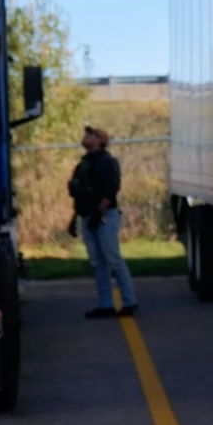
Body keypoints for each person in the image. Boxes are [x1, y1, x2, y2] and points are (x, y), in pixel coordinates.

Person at [68, 125, 138, 319]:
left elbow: (111, 188)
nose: (86, 136)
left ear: (100, 140)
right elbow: (80, 193)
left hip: (105, 216)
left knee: (113, 259)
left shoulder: (106, 161)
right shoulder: (84, 164)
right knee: (98, 263)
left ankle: (130, 301)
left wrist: (99, 213)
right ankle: (105, 304)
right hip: (88, 217)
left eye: (91, 134)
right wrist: (74, 218)